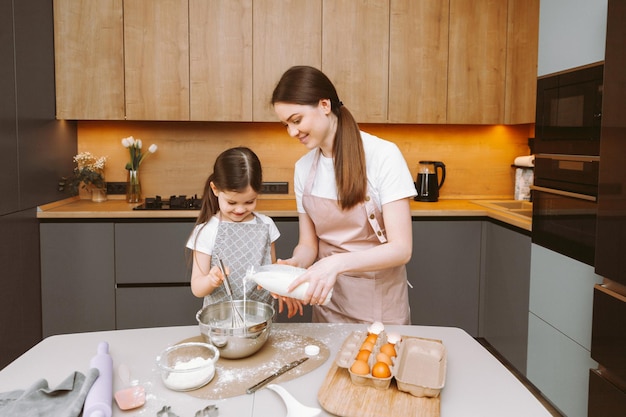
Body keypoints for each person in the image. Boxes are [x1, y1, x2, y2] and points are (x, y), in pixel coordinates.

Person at [271, 65, 417, 324]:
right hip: (327, 300)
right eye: (286, 125)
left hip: (379, 304)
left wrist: (335, 264)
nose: (292, 132)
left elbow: (401, 249)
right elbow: (308, 245)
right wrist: (295, 265)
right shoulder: (303, 168)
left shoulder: (383, 155)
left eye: (296, 120)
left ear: (324, 105)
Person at [186, 147, 284, 310]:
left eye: (249, 202)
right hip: (219, 322)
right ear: (215, 189)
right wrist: (210, 281)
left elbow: (271, 274)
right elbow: (197, 288)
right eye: (232, 202)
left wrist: (282, 287)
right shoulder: (207, 231)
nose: (240, 210)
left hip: (260, 319)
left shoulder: (266, 225)